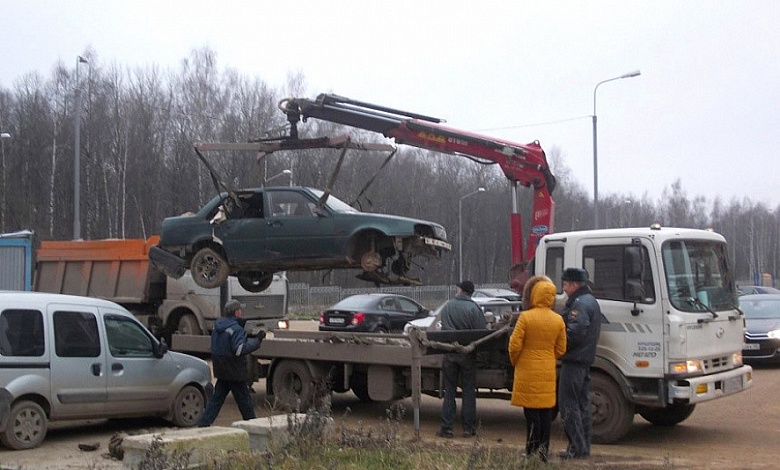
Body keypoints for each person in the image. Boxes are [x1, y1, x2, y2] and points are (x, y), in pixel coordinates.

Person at [508, 275, 567, 462]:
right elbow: (561, 349)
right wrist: (548, 357)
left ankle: (530, 451)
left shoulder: (525, 317)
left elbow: (514, 345)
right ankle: (543, 454)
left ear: (534, 295)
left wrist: (517, 360)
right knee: (545, 414)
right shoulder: (558, 320)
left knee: (531, 414)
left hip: (527, 371)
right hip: (547, 369)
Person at [557, 267, 604, 460]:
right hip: (583, 361)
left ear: (574, 284)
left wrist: (558, 348)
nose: (564, 289)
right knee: (583, 406)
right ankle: (583, 447)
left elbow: (575, 333)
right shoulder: (589, 300)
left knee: (568, 405)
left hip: (573, 361)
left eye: (566, 285)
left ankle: (575, 447)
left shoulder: (580, 304)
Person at [198, 299, 262, 427]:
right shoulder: (235, 329)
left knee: (216, 400)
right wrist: (257, 341)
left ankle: (203, 425)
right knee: (245, 403)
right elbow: (239, 350)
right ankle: (254, 428)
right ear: (237, 312)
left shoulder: (218, 326)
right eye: (240, 310)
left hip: (221, 370)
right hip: (235, 371)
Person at [437, 280, 487, 438]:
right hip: (467, 356)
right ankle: (468, 428)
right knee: (468, 391)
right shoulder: (474, 309)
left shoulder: (448, 306)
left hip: (450, 354)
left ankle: (447, 428)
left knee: (450, 390)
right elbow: (481, 333)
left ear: (461, 290)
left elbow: (443, 327)